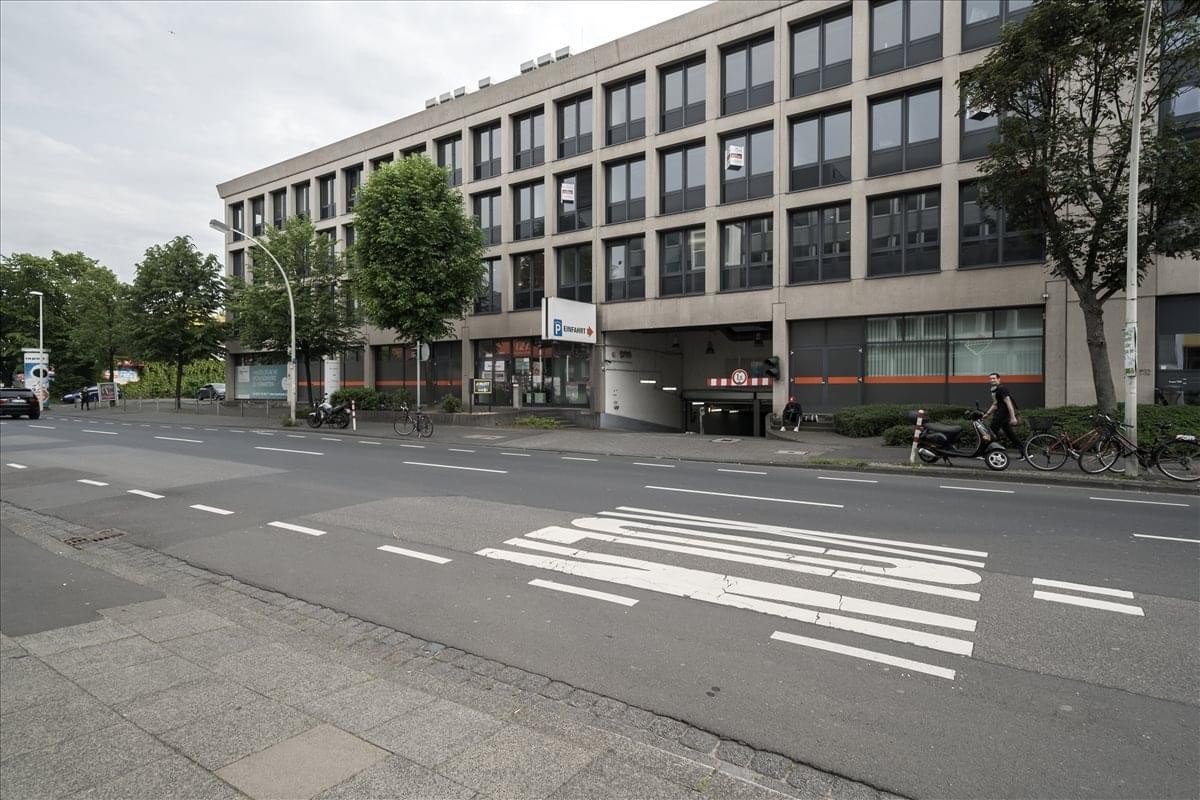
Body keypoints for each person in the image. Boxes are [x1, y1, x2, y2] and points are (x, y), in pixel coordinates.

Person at [984, 372, 1022, 458]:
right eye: (990, 379)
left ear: (999, 379)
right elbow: (995, 404)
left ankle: (986, 453)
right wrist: (987, 414)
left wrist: (1013, 417)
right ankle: (1026, 453)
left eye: (994, 378)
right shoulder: (994, 390)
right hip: (1001, 415)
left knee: (991, 433)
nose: (992, 380)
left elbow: (1009, 403)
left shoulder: (1002, 389)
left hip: (1002, 415)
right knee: (1010, 434)